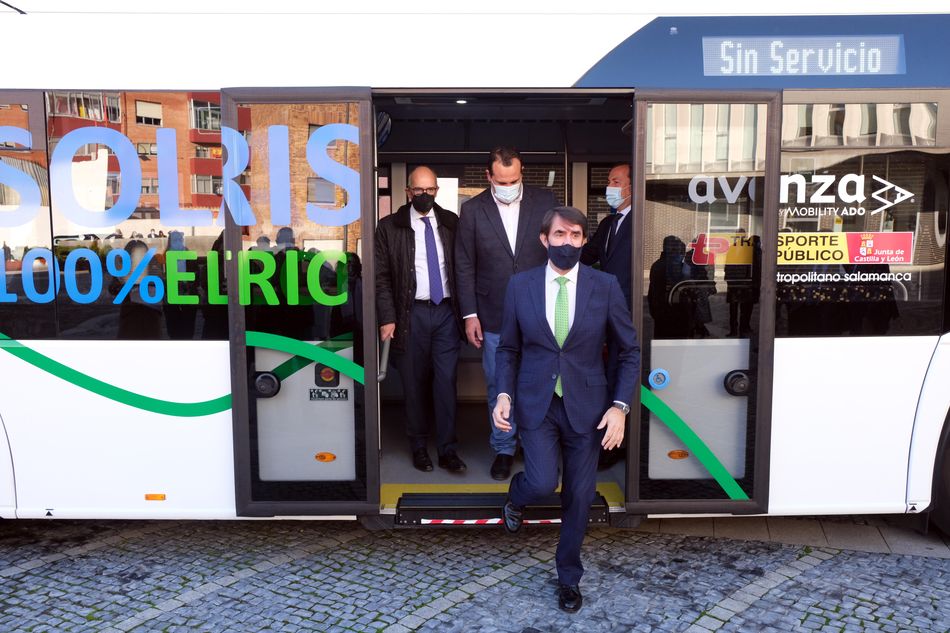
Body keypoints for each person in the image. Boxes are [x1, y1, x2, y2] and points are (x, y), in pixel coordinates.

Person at [493, 206, 639, 613]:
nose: (568, 242)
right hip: (536, 402)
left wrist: (620, 407)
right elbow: (508, 349)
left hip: (588, 407)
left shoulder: (604, 285)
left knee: (580, 494)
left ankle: (569, 577)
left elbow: (629, 350)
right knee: (542, 482)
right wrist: (502, 395)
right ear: (545, 239)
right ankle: (516, 497)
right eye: (560, 234)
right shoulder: (520, 285)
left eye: (576, 235)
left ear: (584, 240)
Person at [456, 147, 558, 480]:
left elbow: (559, 253)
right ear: (489, 176)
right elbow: (464, 264)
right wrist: (470, 314)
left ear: (522, 172)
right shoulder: (472, 210)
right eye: (501, 182)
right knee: (498, 383)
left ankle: (534, 443)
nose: (508, 186)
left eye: (514, 180)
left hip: (540, 312)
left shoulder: (546, 202)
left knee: (538, 382)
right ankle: (503, 447)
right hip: (492, 313)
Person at [376, 166, 465, 473]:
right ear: (408, 192)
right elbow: (381, 277)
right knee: (413, 384)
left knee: (446, 383)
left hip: (446, 314)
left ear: (436, 191)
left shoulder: (451, 223)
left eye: (430, 190)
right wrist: (387, 317)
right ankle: (418, 447)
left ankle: (448, 449)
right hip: (409, 314)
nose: (425, 195)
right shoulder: (389, 227)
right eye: (419, 190)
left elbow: (464, 268)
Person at [581, 163, 633, 307]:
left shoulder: (639, 222)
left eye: (616, 182)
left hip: (630, 303)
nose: (609, 187)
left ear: (632, 188)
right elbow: (588, 255)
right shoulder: (607, 223)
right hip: (605, 301)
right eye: (609, 182)